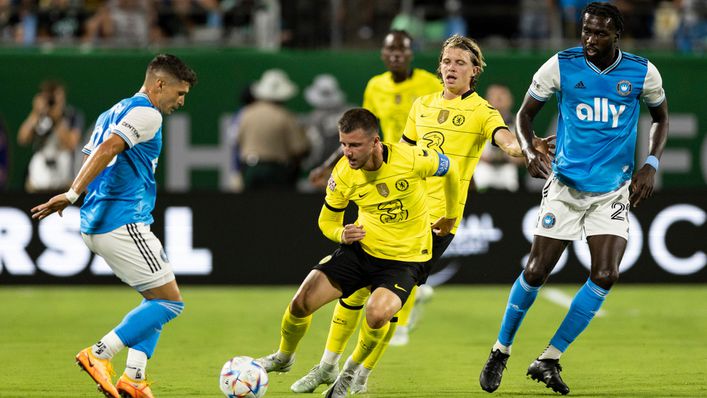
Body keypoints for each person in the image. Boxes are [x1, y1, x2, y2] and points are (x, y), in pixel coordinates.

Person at [291, 34, 554, 395]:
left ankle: (357, 374)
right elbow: (402, 153)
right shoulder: (422, 105)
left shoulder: (481, 111)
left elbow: (505, 140)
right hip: (392, 210)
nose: (451, 68)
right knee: (352, 293)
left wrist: (526, 146)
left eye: (460, 62)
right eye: (446, 61)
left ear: (474, 70)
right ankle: (327, 366)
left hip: (435, 221)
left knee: (384, 302)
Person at [479, 2, 669, 395]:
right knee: (535, 271)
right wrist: (530, 151)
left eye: (599, 32)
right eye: (585, 30)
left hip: (612, 190)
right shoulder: (561, 65)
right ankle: (501, 349)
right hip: (564, 186)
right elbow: (525, 115)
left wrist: (650, 162)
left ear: (617, 34)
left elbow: (662, 117)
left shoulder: (642, 71)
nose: (589, 38)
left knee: (605, 274)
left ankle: (549, 357)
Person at [254, 107, 461, 398]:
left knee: (377, 314)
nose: (347, 152)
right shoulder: (343, 174)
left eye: (354, 145)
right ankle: (284, 357)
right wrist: (341, 233)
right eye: (343, 144)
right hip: (362, 250)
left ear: (375, 142)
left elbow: (451, 168)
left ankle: (349, 373)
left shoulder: (411, 158)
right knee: (300, 303)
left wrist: (451, 215)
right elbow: (326, 221)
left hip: (406, 259)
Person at [31, 54, 197, 398]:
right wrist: (73, 192)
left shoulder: (115, 110)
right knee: (169, 302)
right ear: (159, 84)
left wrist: (79, 195)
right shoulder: (147, 113)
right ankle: (99, 353)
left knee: (153, 299)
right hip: (121, 220)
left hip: (101, 220)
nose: (181, 101)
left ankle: (134, 379)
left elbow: (96, 154)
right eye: (179, 93)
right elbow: (107, 149)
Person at [304, 29, 441, 355]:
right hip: (375, 174)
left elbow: (441, 128)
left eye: (402, 51)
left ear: (411, 54)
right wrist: (328, 164)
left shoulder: (428, 84)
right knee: (373, 250)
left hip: (414, 170)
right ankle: (403, 300)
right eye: (390, 51)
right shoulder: (375, 86)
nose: (396, 56)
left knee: (410, 251)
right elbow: (361, 132)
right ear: (383, 55)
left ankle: (403, 317)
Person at [237, 68, 310, 190]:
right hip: (275, 172)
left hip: (249, 169)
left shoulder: (246, 113)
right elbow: (298, 148)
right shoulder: (285, 116)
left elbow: (238, 140)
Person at [18, 79, 84, 193]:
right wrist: (35, 113)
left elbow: (71, 144)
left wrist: (57, 118)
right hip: (39, 172)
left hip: (63, 172)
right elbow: (22, 139)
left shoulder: (72, 115)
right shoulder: (38, 116)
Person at [474, 84, 524, 192]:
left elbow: (526, 155)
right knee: (480, 178)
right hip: (484, 168)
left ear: (510, 100)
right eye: (494, 96)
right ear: (486, 100)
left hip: (507, 169)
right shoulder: (477, 121)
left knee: (510, 180)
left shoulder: (519, 124)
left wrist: (515, 156)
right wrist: (481, 157)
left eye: (501, 96)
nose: (498, 100)